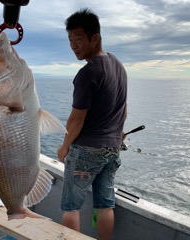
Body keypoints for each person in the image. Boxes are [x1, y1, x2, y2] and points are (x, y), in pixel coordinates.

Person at [57, 8, 127, 240]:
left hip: (87, 150)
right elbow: (123, 109)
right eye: (69, 40)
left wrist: (65, 146)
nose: (73, 46)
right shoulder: (117, 65)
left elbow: (77, 118)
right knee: (105, 204)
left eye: (78, 39)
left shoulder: (88, 73)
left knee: (70, 206)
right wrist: (118, 132)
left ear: (94, 38)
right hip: (112, 148)